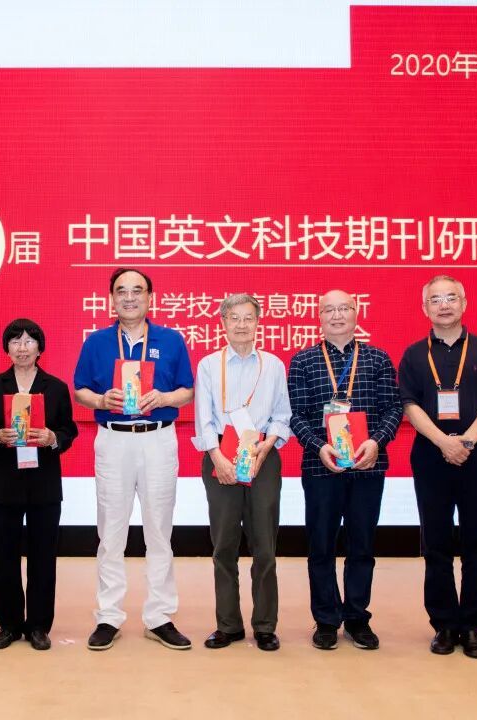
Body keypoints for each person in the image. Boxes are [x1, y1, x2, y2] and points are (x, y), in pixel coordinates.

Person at [73, 268, 195, 651]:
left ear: (150, 297)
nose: (129, 297)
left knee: (159, 530)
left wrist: (164, 397)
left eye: (137, 291)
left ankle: (159, 616)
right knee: (111, 531)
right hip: (113, 441)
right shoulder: (96, 342)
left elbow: (188, 390)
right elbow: (79, 390)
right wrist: (99, 400)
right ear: (111, 298)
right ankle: (109, 616)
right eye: (121, 291)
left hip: (158, 439)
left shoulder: (171, 340)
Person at [398, 275, 477, 660]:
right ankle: (444, 624)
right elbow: (409, 405)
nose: (443, 305)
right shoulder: (414, 355)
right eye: (435, 299)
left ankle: (474, 626)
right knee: (436, 543)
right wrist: (444, 442)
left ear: (464, 303)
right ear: (424, 308)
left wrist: (467, 441)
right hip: (431, 456)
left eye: (450, 298)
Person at [287, 290, 402, 651]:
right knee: (321, 545)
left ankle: (356, 617)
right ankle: (325, 619)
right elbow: (295, 415)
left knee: (362, 545)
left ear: (356, 313)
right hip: (320, 465)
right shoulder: (303, 361)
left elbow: (393, 408)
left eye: (344, 308)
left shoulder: (377, 358)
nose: (336, 315)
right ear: (319, 316)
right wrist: (319, 446)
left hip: (368, 465)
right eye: (329, 310)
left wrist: (376, 442)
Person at [0, 319, 79, 651]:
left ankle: (39, 626)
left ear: (40, 348)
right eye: (15, 341)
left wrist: (53, 437)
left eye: (29, 341)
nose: (22, 347)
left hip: (44, 483)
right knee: (5, 555)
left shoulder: (55, 387)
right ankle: (9, 624)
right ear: (7, 348)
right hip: (5, 482)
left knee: (44, 555)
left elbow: (69, 430)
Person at [192, 294, 292, 651]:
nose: (241, 325)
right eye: (234, 318)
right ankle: (228, 625)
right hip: (220, 455)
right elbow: (203, 417)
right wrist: (217, 457)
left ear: (258, 321)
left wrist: (268, 445)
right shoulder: (208, 365)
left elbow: (282, 414)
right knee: (224, 545)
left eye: (248, 318)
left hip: (262, 456)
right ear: (222, 322)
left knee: (265, 545)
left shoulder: (273, 365)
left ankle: (265, 625)